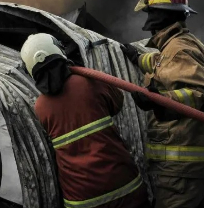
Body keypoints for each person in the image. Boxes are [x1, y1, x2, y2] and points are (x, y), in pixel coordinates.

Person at [20, 33, 150, 208]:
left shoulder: (40, 107)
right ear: (57, 50)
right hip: (123, 186)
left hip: (81, 199)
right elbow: (117, 103)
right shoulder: (91, 82)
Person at [121, 0, 204, 208]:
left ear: (158, 15)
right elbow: (164, 65)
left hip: (183, 170)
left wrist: (157, 101)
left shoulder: (179, 48)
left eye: (150, 13)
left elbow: (203, 94)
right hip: (194, 169)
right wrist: (138, 58)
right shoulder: (179, 45)